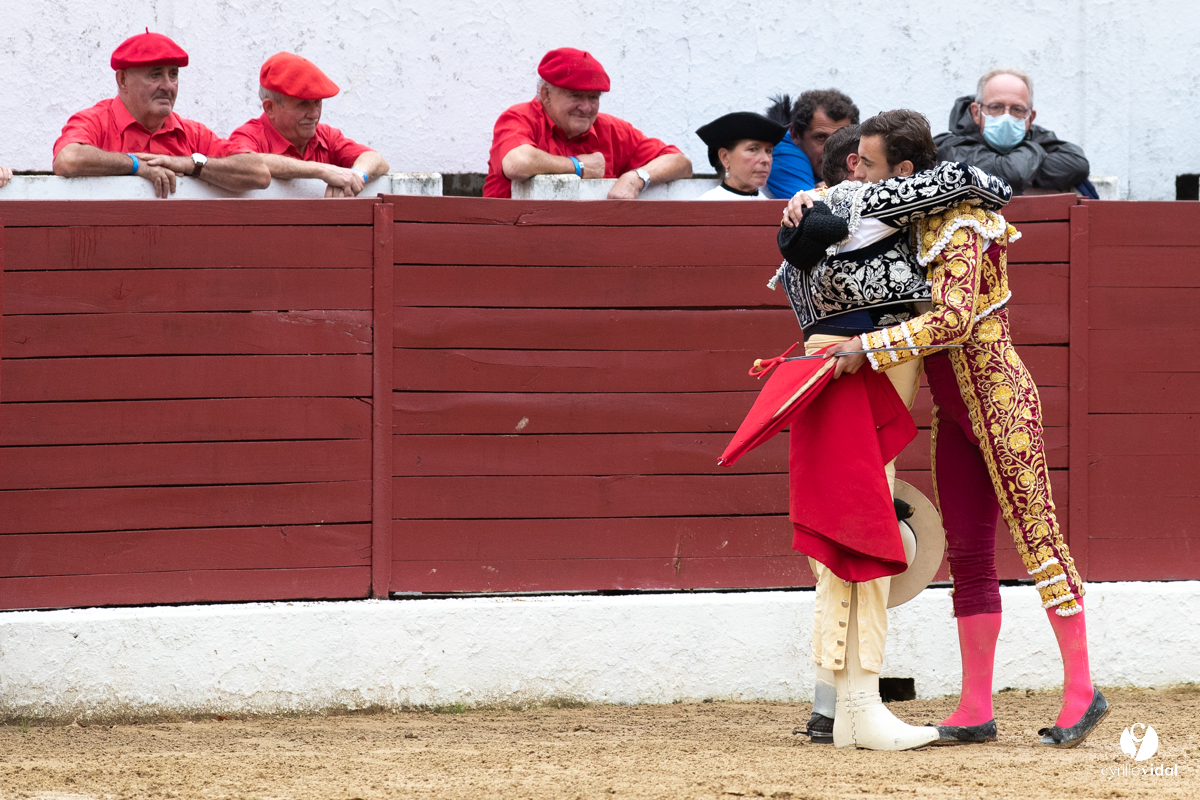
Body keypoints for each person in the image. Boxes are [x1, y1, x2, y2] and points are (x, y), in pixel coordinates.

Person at [827, 111, 1108, 748]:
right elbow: (836, 213)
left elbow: (953, 320)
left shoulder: (961, 223)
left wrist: (870, 348)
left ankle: (1083, 690)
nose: (857, 173)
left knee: (1041, 541)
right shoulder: (915, 220)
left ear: (902, 171)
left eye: (866, 164)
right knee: (970, 555)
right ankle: (975, 705)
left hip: (1001, 404)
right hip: (956, 413)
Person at [52, 29, 271, 199]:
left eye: (173, 75)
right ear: (123, 80)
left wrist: (187, 164)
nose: (168, 86)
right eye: (155, 75)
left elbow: (258, 172)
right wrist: (135, 165)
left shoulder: (192, 132)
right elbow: (67, 159)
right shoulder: (97, 120)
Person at [484, 47, 692, 199]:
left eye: (593, 97)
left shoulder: (612, 130)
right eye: (576, 96)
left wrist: (637, 177)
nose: (586, 107)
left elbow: (680, 163)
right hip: (510, 248)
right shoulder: (519, 117)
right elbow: (516, 163)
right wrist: (579, 166)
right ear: (546, 93)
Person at [230, 52, 390, 198]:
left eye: (317, 102)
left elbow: (376, 160)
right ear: (270, 108)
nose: (314, 114)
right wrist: (322, 170)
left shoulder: (326, 136)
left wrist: (356, 176)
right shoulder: (248, 136)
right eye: (303, 104)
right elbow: (244, 163)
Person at [934, 68, 1090, 195]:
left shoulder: (1036, 135)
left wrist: (1022, 169)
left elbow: (1077, 164)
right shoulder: (949, 147)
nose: (1006, 116)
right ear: (975, 112)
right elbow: (1011, 175)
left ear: (1030, 117)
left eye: (1017, 109)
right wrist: (1036, 152)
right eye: (996, 107)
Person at [764, 89, 858, 199]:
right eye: (821, 137)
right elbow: (813, 208)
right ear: (795, 135)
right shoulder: (783, 151)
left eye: (842, 139)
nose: (833, 150)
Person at [694, 112, 785, 199]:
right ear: (725, 157)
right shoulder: (700, 209)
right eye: (753, 149)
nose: (766, 159)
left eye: (768, 151)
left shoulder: (778, 211)